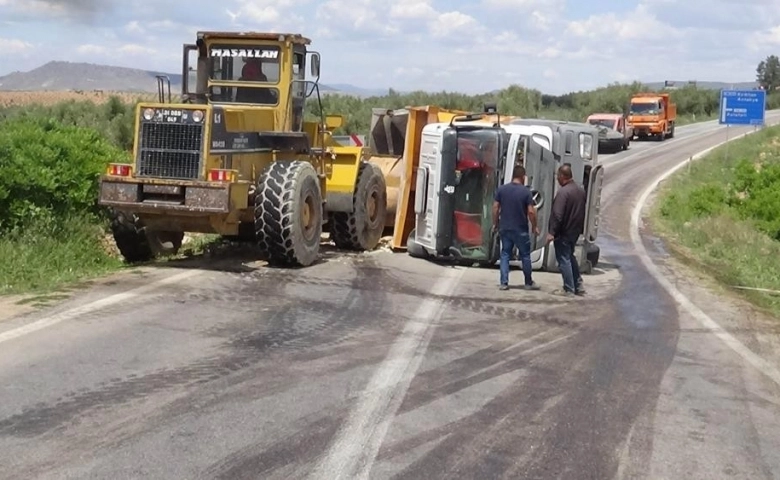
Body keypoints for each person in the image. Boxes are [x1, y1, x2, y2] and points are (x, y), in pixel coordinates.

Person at [492, 165, 540, 291]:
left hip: (505, 227)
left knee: (505, 254)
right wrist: (534, 226)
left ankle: (504, 283)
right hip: (520, 229)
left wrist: (495, 223)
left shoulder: (502, 189)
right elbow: (530, 212)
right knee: (525, 255)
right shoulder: (526, 192)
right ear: (523, 177)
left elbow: (495, 207)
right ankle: (528, 283)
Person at [546, 164, 587, 297]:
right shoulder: (580, 191)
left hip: (563, 232)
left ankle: (569, 288)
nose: (557, 179)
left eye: (558, 176)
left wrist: (552, 232)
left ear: (562, 176)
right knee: (570, 257)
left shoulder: (563, 193)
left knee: (564, 259)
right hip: (574, 231)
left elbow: (558, 214)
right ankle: (578, 285)